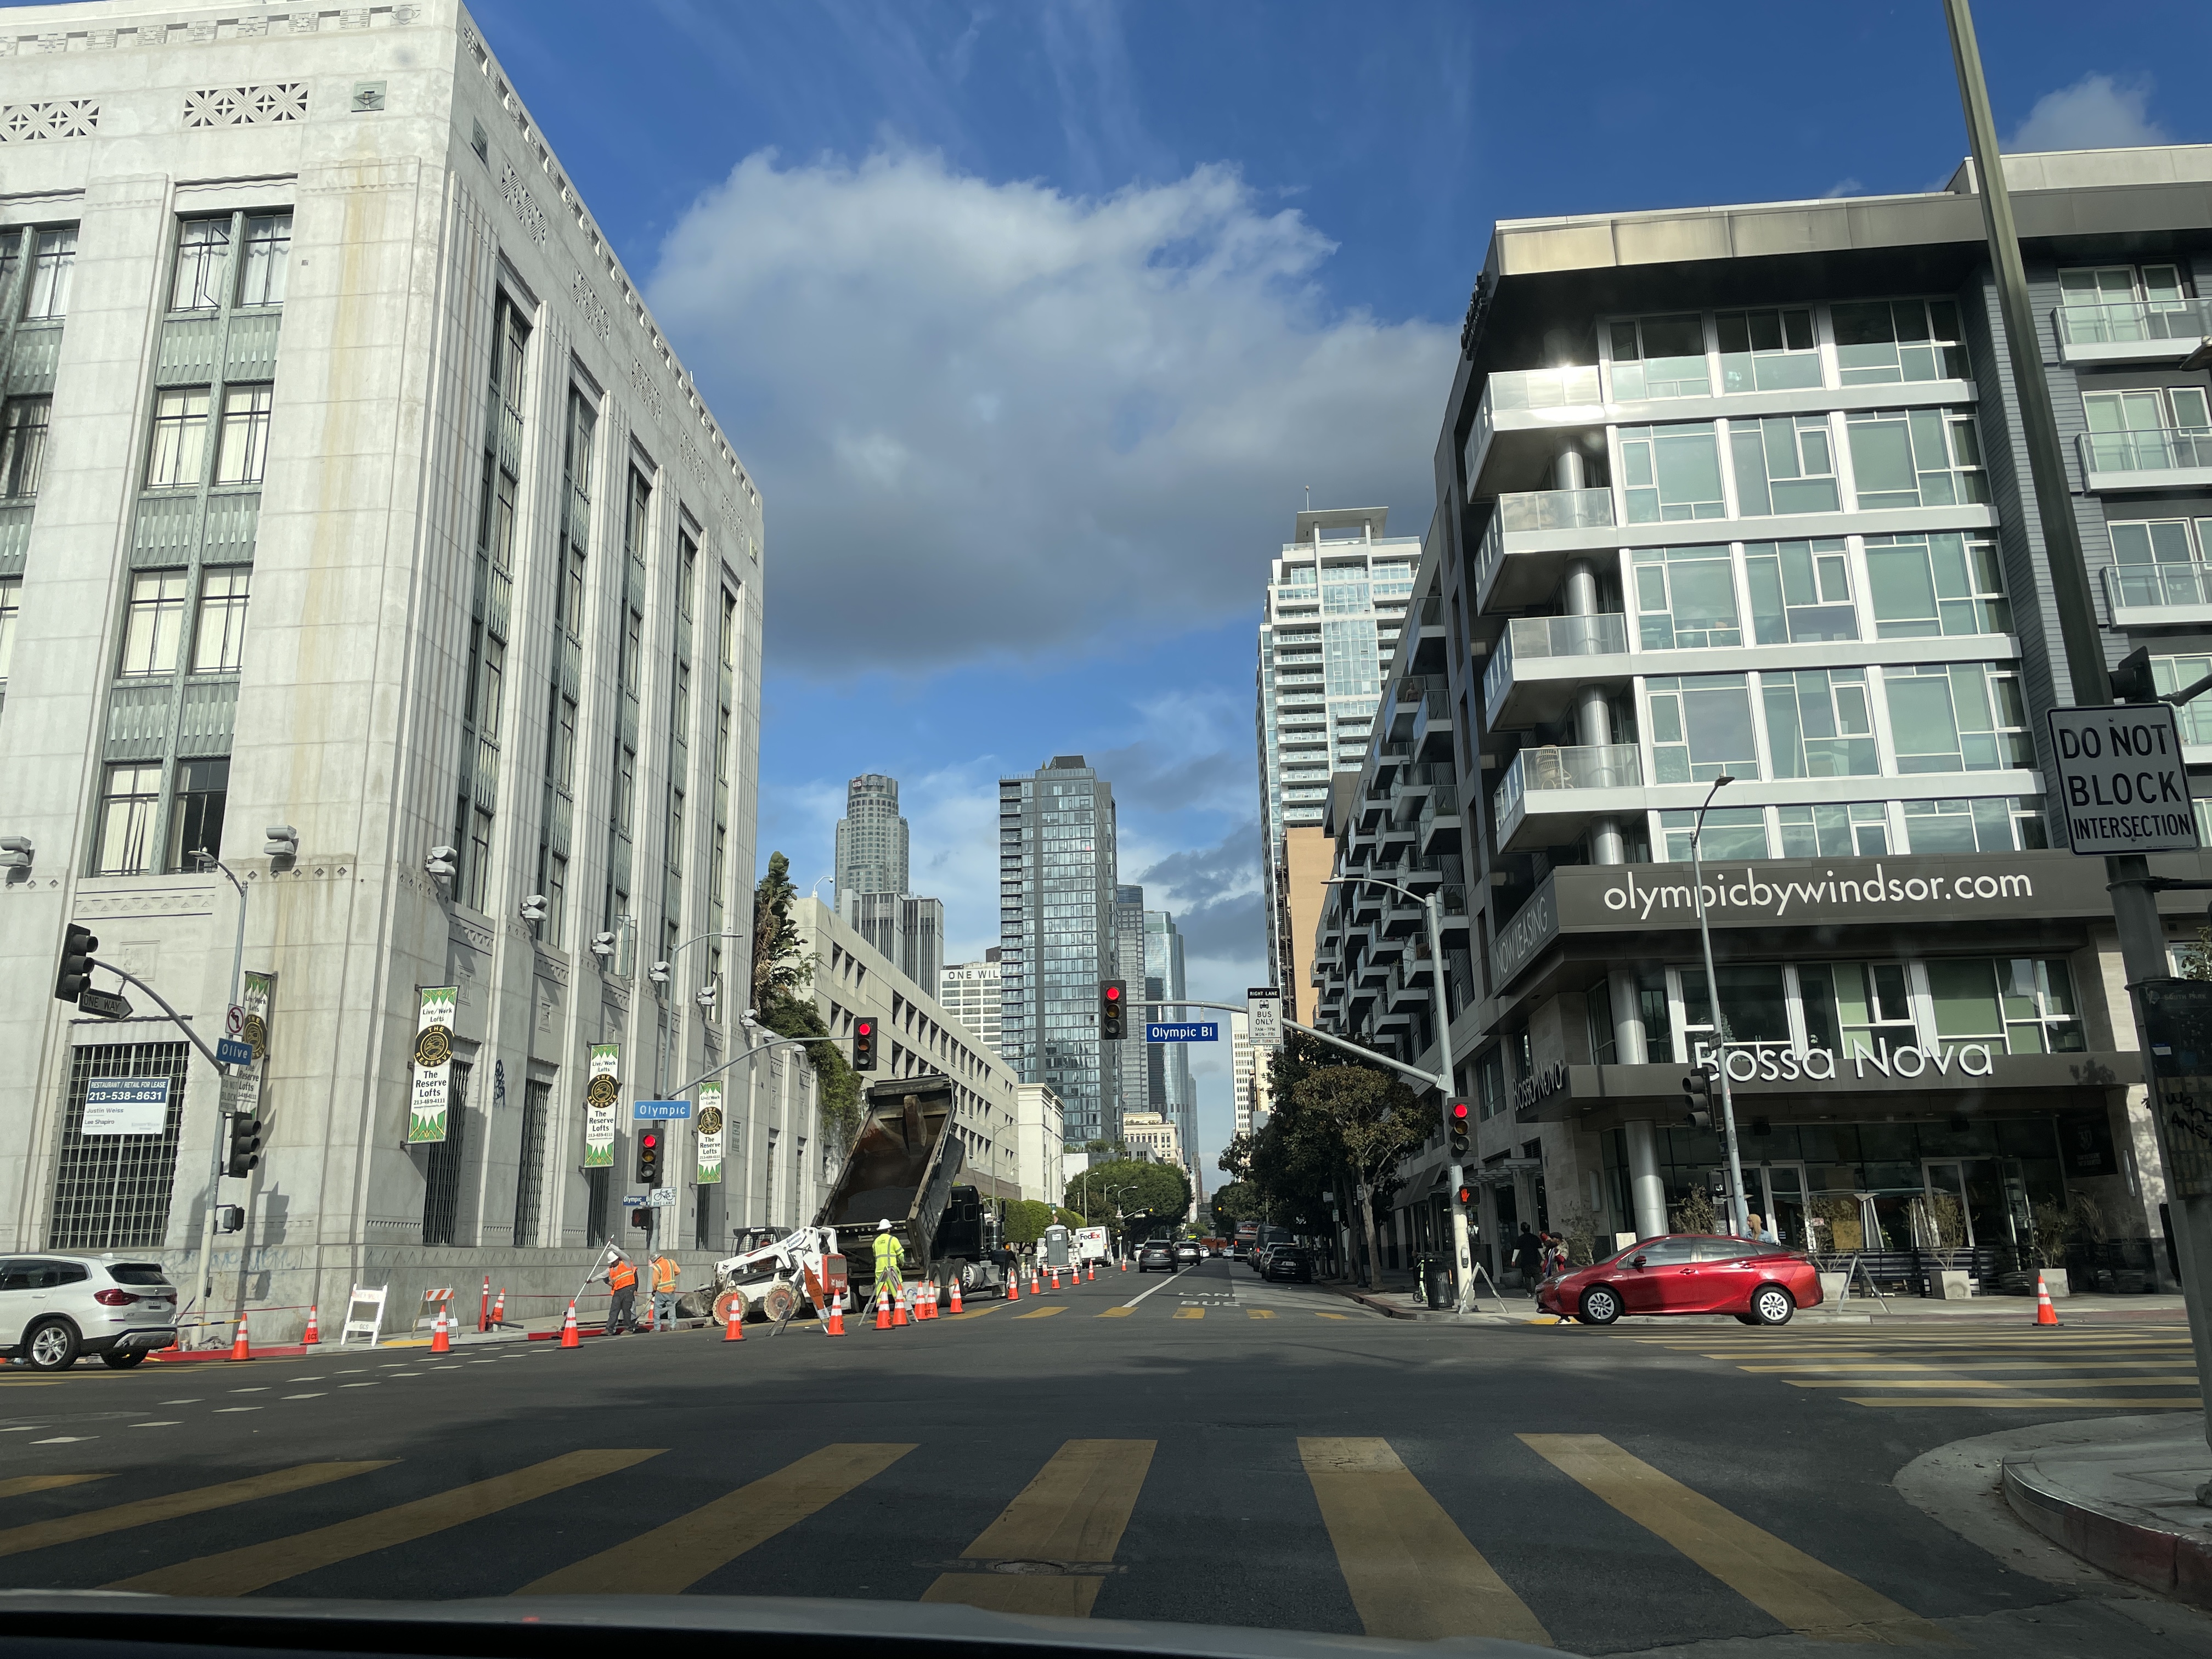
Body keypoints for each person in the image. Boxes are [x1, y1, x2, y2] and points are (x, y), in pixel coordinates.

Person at [596, 1249, 637, 1335]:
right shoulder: (613, 1267)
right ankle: (610, 1329)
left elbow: (635, 1279)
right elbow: (605, 1276)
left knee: (628, 1311)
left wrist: (635, 1289)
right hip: (618, 1292)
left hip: (628, 1291)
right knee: (614, 1311)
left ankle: (629, 1328)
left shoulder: (629, 1266)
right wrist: (607, 1282)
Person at [872, 1217, 906, 1313]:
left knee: (881, 1291)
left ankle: (882, 1312)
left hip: (880, 1270)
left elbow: (875, 1255)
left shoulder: (876, 1242)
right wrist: (902, 1263)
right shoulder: (893, 1240)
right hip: (891, 1270)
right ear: (888, 1230)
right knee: (898, 1290)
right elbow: (901, 1255)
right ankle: (901, 1311)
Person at [650, 1251, 680, 1330]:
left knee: (657, 1309)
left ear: (655, 1261)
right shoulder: (671, 1262)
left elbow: (655, 1282)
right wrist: (671, 1276)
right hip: (671, 1290)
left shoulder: (657, 1267)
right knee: (671, 1308)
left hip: (661, 1291)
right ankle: (673, 1325)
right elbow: (678, 1271)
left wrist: (654, 1290)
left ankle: (657, 1327)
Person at [1511, 1223, 1544, 1289]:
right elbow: (1540, 1249)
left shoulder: (1520, 1239)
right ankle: (1539, 1291)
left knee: (1527, 1278)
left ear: (1521, 1230)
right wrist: (1544, 1258)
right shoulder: (1535, 1238)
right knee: (1537, 1277)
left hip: (1525, 1262)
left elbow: (1517, 1250)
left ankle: (1529, 1292)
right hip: (1535, 1261)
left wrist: (1513, 1260)